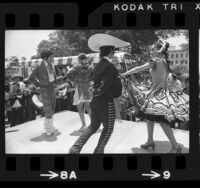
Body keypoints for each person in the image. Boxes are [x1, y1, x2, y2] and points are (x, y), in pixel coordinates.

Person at [122, 39, 189, 153]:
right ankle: (150, 141)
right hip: (160, 91)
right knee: (150, 117)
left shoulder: (156, 59)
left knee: (162, 120)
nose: (150, 51)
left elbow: (139, 68)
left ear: (159, 50)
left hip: (158, 93)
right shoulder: (164, 61)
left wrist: (125, 73)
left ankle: (176, 146)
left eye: (152, 49)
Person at [69, 33, 130, 154]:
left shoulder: (96, 65)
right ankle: (98, 152)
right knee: (108, 129)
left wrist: (95, 93)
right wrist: (118, 81)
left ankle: (75, 148)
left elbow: (97, 81)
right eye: (114, 51)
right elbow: (108, 87)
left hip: (95, 102)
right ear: (112, 51)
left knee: (93, 126)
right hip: (105, 102)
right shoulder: (110, 67)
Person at [28, 50, 58, 136]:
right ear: (45, 58)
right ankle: (49, 129)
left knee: (52, 107)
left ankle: (48, 125)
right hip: (44, 89)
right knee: (48, 108)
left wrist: (57, 83)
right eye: (51, 57)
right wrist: (38, 86)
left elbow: (53, 77)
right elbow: (31, 78)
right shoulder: (38, 66)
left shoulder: (52, 65)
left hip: (52, 87)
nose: (53, 58)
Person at [65, 53, 93, 131]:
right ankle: (93, 124)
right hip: (88, 87)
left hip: (80, 88)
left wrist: (74, 79)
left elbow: (68, 74)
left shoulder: (76, 66)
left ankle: (84, 125)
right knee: (88, 107)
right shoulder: (90, 67)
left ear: (79, 59)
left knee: (80, 107)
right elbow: (93, 76)